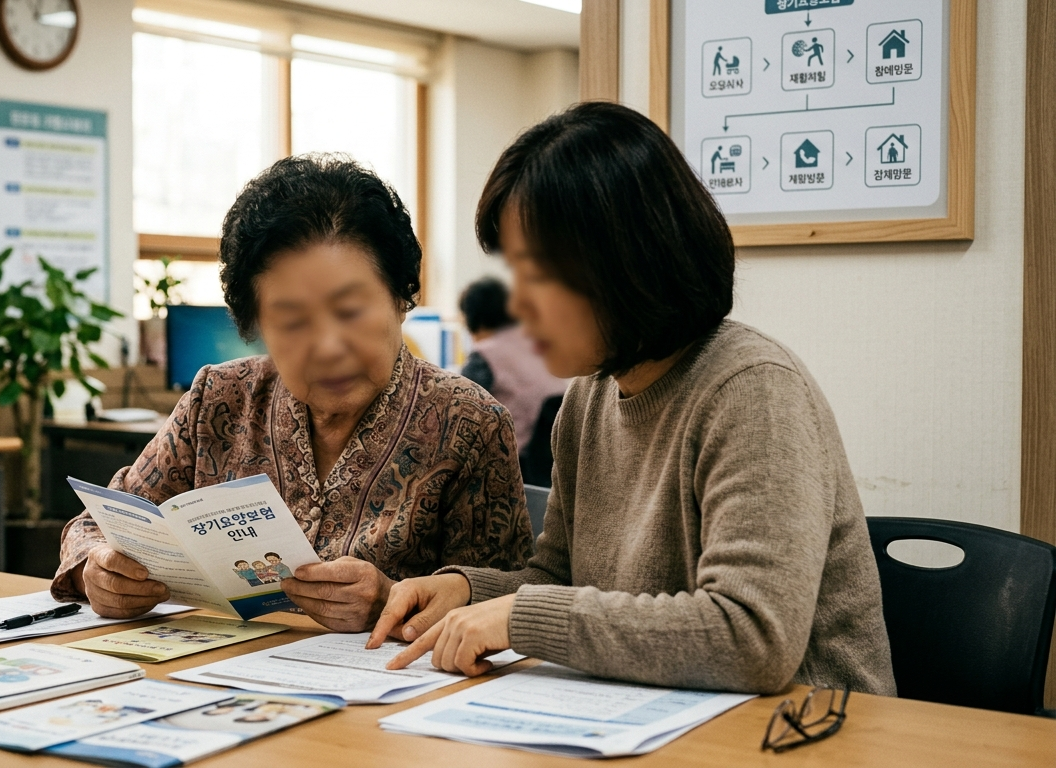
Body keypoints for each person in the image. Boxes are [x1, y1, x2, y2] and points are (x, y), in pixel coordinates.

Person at [369, 102, 896, 697]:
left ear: (627, 261)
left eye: (537, 275)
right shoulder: (588, 399)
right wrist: (468, 591)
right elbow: (559, 578)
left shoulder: (753, 389)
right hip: (661, 714)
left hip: (809, 723)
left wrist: (521, 616)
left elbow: (752, 636)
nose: (519, 305)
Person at [51, 154, 534, 633]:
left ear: (401, 297)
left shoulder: (468, 421)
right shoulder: (218, 398)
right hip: (210, 668)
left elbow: (509, 598)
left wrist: (392, 599)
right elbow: (99, 524)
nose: (328, 348)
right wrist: (100, 568)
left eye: (350, 311)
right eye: (292, 322)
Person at [458, 276, 567, 483]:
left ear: (472, 317)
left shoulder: (485, 355)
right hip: (553, 462)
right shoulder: (535, 342)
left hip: (514, 467)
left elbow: (456, 411)